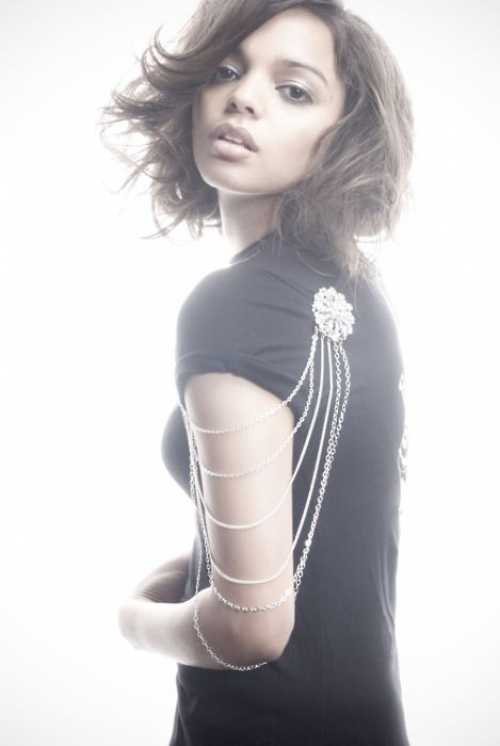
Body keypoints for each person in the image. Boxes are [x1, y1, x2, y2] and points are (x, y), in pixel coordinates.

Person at [100, 1, 414, 744]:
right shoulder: (355, 288)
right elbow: (331, 529)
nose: (243, 97)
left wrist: (134, 621)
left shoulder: (235, 306)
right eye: (226, 70)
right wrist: (204, 563)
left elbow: (250, 630)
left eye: (294, 89)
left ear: (345, 133)